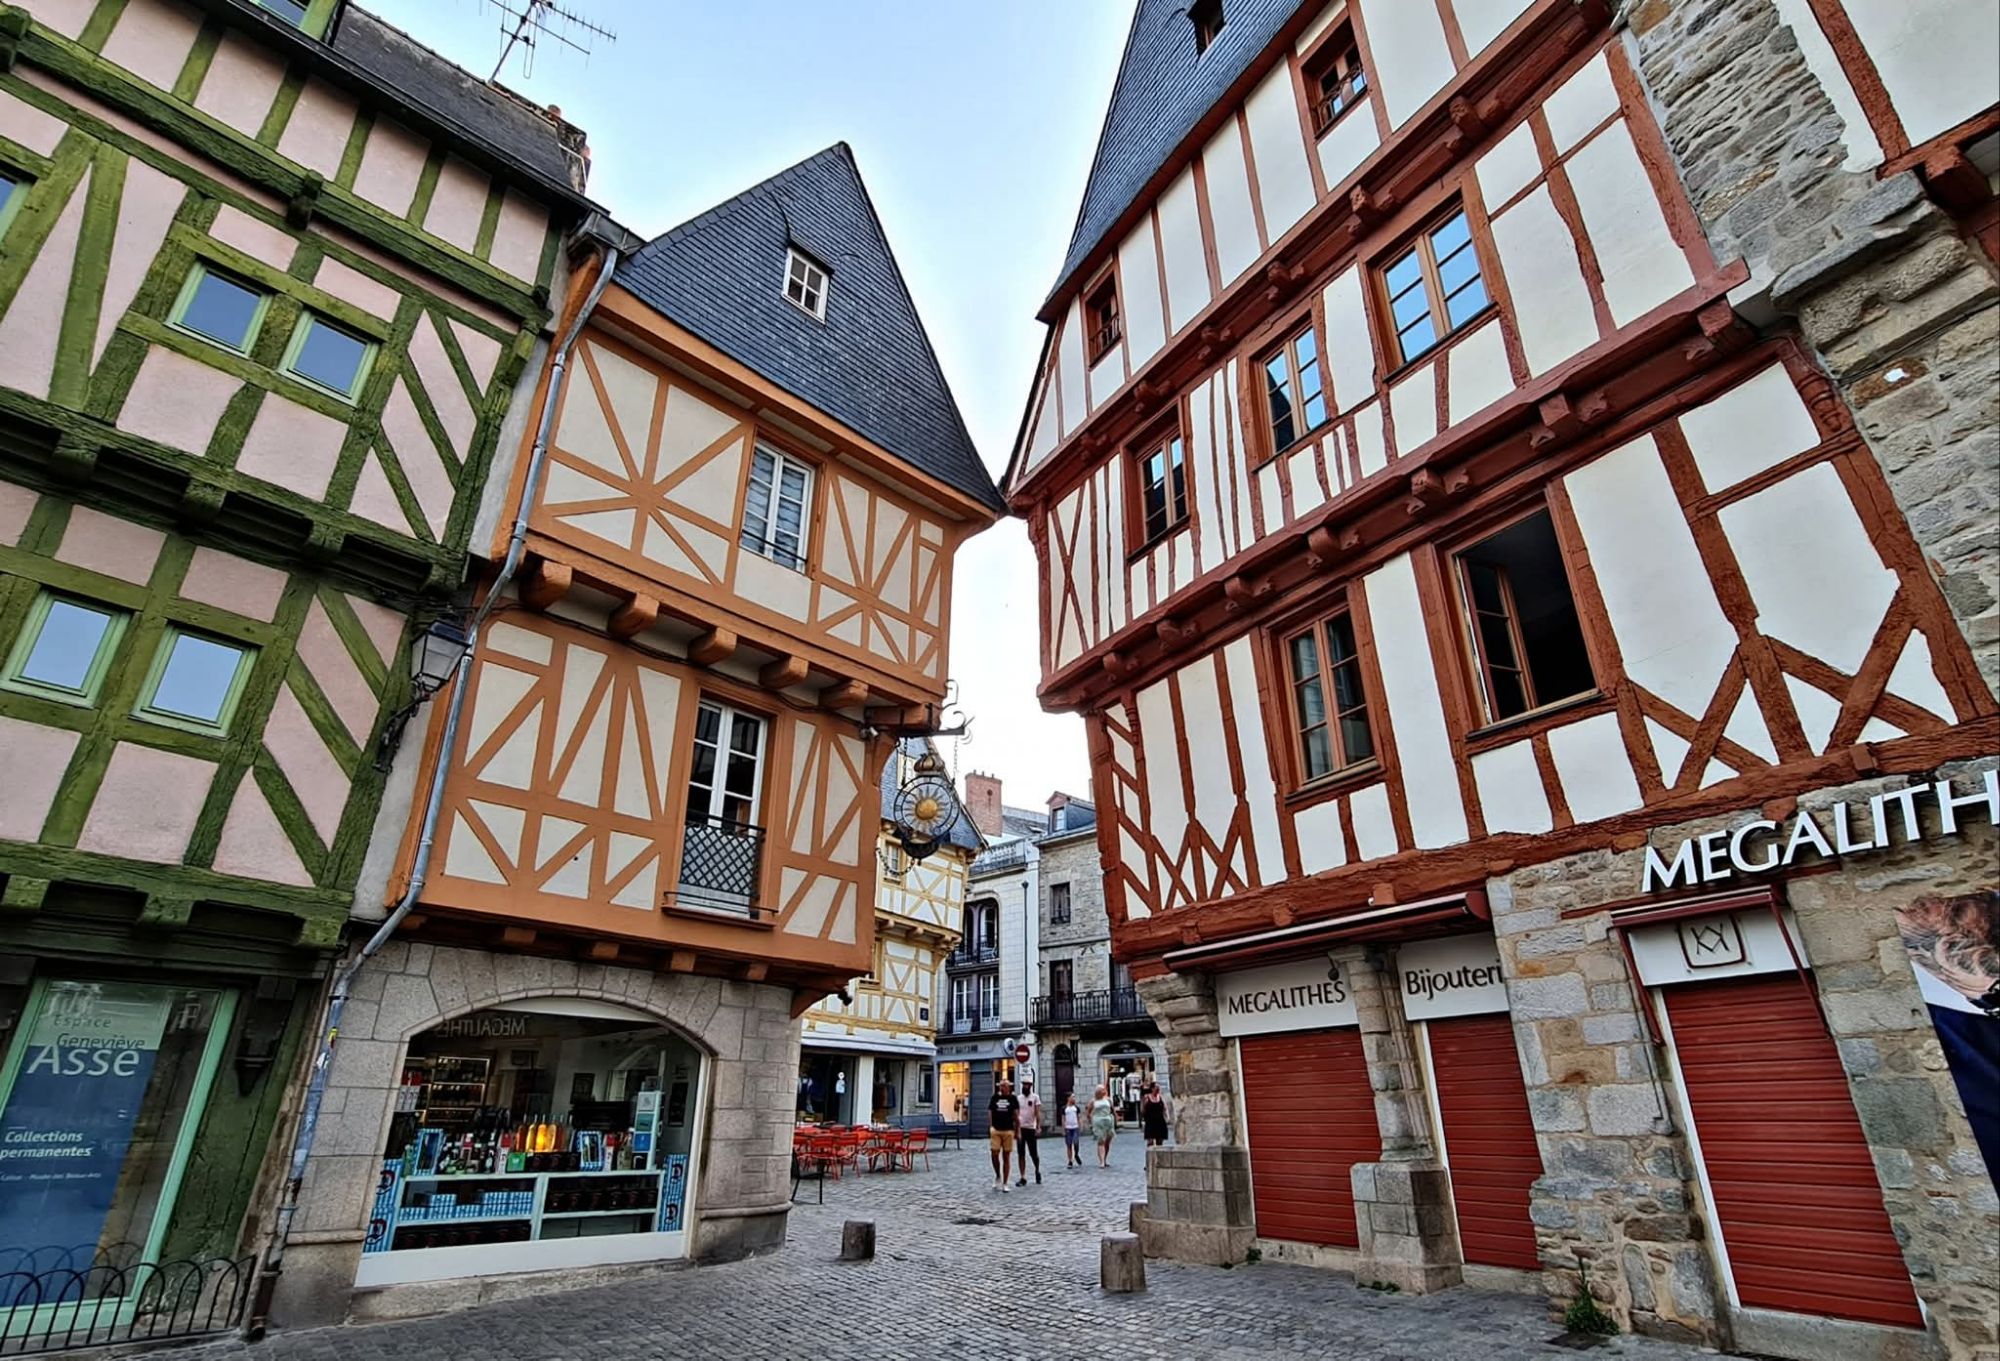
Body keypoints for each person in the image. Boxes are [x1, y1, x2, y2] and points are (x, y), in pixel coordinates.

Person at [987, 1078, 1019, 1192]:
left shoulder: (1013, 1098)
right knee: (994, 1153)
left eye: (1004, 1086)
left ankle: (1005, 1182)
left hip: (1008, 1130)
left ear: (1009, 1087)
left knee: (1006, 1156)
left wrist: (1017, 1130)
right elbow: (990, 1111)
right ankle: (997, 1175)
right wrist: (990, 1126)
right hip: (996, 1129)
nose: (1002, 1088)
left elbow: (1016, 1115)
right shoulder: (995, 1098)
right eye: (1001, 1086)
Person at [1016, 1080, 1044, 1185]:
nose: (1025, 1086)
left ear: (1030, 1086)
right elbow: (1016, 1113)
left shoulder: (1035, 1097)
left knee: (1033, 1153)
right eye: (1024, 1085)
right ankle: (1022, 1176)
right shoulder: (1018, 1098)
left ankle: (1037, 1170)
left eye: (1027, 1085)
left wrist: (1038, 1126)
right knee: (1021, 1153)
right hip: (1021, 1128)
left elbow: (1037, 1113)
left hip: (1030, 1128)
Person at [1089, 1084, 1117, 1168]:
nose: (1104, 1091)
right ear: (1098, 1092)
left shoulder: (1108, 1099)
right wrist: (1091, 1120)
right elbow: (1088, 1111)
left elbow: (1113, 1110)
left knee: (1107, 1142)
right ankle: (1101, 1161)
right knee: (1101, 1141)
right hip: (1098, 1121)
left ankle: (1105, 1159)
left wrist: (1115, 1119)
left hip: (1108, 1121)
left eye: (1104, 1090)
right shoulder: (1093, 1101)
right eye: (1102, 1090)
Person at [1140, 1079, 1171, 1148]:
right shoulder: (1147, 1098)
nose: (1158, 1089)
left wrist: (1167, 1117)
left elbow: (1165, 1108)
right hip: (1150, 1122)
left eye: (1158, 1088)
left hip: (1160, 1121)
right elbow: (1143, 1110)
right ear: (1152, 1088)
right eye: (1156, 1088)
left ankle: (1158, 1157)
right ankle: (1151, 1157)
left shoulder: (1160, 1097)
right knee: (1150, 1141)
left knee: (1160, 1141)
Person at [1061, 1091, 1082, 1168]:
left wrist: (1080, 1125)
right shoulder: (1064, 1108)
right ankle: (1070, 1160)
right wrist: (1063, 1129)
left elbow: (1078, 1117)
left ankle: (1076, 1154)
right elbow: (1063, 1119)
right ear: (1068, 1098)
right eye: (1072, 1097)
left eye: (1074, 1097)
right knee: (1069, 1145)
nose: (1074, 1098)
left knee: (1076, 1142)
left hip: (1075, 1127)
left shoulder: (1076, 1108)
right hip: (1068, 1128)